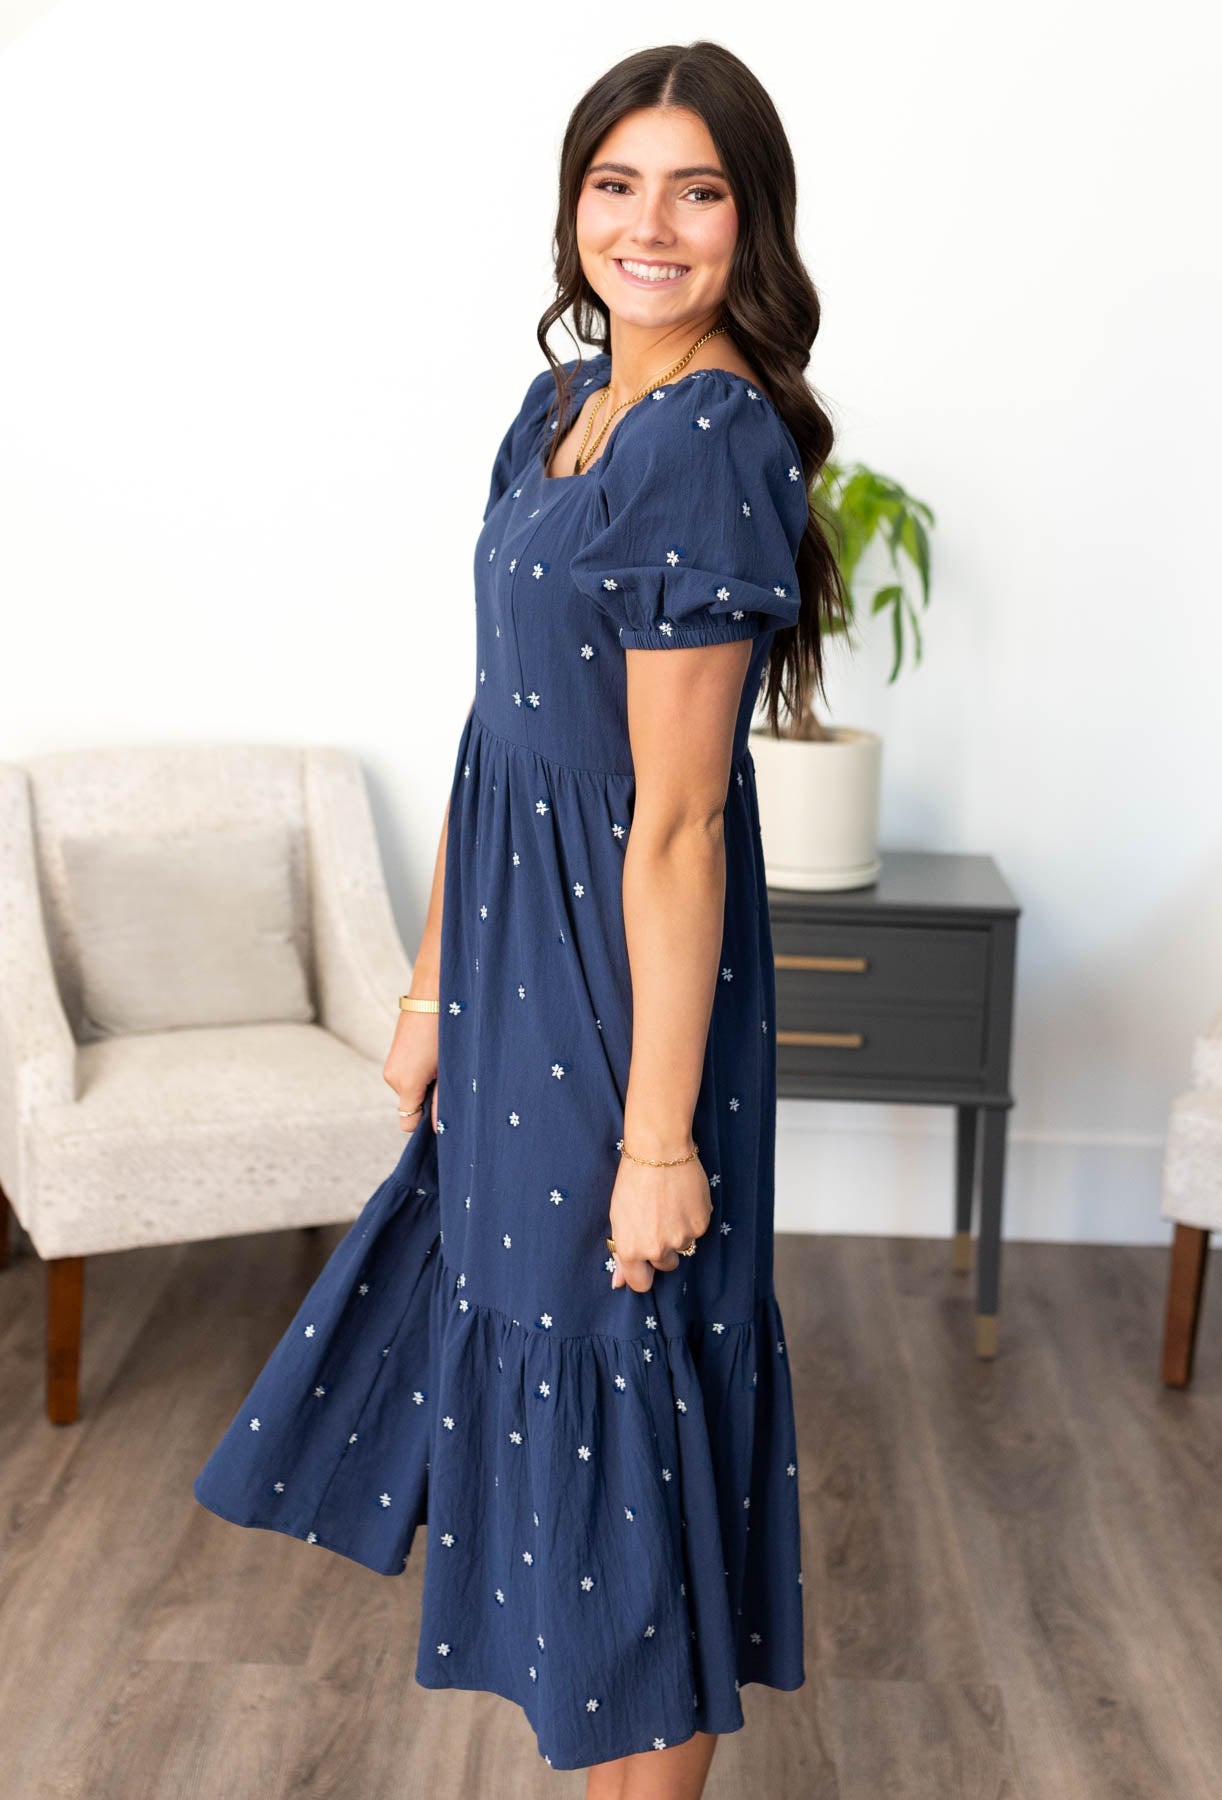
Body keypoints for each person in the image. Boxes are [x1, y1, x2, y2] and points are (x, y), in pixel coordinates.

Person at [194, 38, 843, 1800]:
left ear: (747, 221)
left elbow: (683, 819)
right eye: (617, 184)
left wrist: (655, 1140)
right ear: (573, 210)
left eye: (696, 190)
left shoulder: (708, 443)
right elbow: (497, 737)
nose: (651, 224)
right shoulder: (555, 413)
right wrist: (425, 991)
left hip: (623, 994)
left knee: (626, 1396)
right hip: (506, 958)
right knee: (557, 1388)